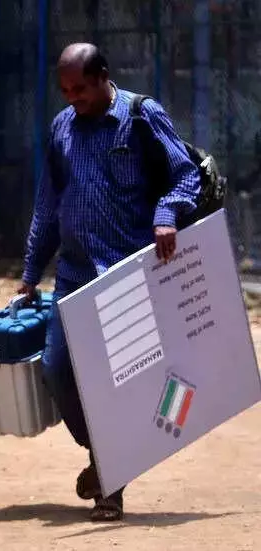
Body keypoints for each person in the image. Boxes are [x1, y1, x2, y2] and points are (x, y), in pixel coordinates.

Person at [19, 43, 200, 521]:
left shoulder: (141, 116)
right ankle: (101, 454)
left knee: (116, 384)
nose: (73, 98)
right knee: (57, 369)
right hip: (75, 274)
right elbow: (47, 206)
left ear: (103, 77)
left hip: (128, 273)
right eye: (65, 90)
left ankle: (111, 483)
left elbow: (185, 175)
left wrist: (165, 215)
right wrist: (30, 274)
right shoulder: (61, 128)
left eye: (80, 88)